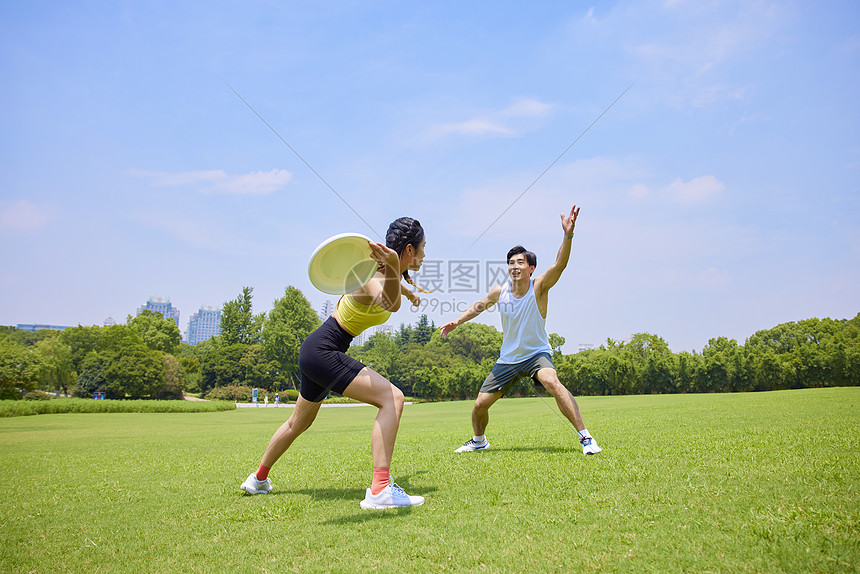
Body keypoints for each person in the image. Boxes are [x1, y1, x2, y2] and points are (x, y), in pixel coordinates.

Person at [240, 217, 427, 509]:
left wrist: (410, 291)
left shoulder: (378, 272)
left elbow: (392, 289)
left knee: (298, 422)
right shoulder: (370, 277)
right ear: (408, 252)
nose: (425, 255)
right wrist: (395, 273)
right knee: (393, 398)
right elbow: (389, 302)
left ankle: (258, 479)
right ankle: (380, 490)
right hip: (325, 350)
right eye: (422, 248)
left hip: (316, 350)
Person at [440, 205, 601, 456]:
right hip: (509, 359)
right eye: (511, 263)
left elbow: (560, 265)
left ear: (531, 268)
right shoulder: (499, 291)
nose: (514, 267)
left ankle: (586, 438)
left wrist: (567, 235)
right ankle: (479, 440)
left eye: (520, 263)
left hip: (536, 354)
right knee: (480, 405)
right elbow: (478, 307)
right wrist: (457, 322)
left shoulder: (539, 288)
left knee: (552, 382)